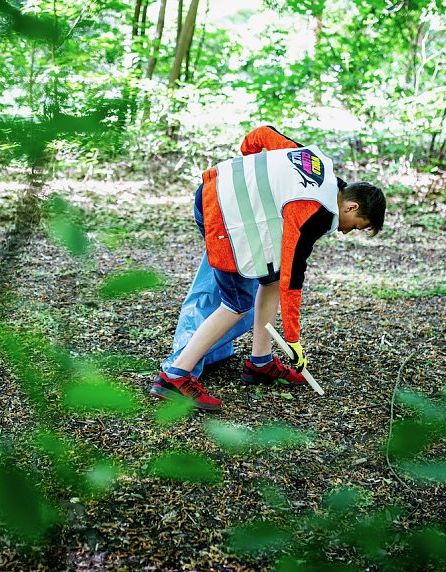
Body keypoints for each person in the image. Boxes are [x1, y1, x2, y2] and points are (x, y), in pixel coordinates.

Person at [150, 125, 386, 411]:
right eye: (357, 227)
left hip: (219, 195)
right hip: (219, 214)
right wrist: (294, 340)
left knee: (269, 280)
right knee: (237, 303)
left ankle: (259, 363)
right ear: (351, 207)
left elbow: (262, 134)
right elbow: (293, 276)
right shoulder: (316, 212)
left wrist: (248, 163)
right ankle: (174, 377)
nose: (348, 233)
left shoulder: (317, 164)